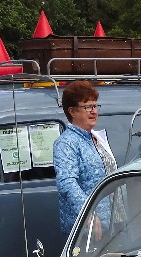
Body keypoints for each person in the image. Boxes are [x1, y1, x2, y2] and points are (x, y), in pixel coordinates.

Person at [53, 80, 118, 234]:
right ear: (72, 111)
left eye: (95, 106)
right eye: (87, 107)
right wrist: (88, 214)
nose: (94, 111)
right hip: (86, 229)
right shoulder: (65, 143)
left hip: (109, 223)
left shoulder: (95, 138)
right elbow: (67, 183)